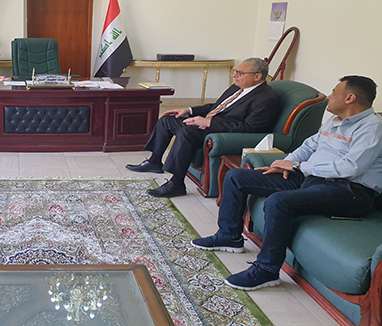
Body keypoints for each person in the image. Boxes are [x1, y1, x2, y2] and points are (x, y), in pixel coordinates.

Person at [192, 76, 382, 290]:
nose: (329, 96)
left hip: (350, 192)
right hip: (312, 177)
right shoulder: (335, 120)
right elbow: (309, 146)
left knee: (278, 202)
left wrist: (300, 167)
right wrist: (286, 163)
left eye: (334, 92)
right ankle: (228, 236)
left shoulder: (372, 127)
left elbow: (351, 167)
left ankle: (267, 270)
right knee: (237, 177)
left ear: (350, 98)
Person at [126, 57, 280, 198]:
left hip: (223, 132)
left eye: (240, 73)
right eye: (236, 72)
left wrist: (209, 123)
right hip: (210, 124)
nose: (235, 76)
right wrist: (189, 110)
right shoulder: (237, 87)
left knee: (186, 132)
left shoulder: (266, 99)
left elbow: (249, 128)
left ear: (257, 76)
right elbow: (217, 107)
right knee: (168, 120)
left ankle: (177, 184)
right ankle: (154, 162)